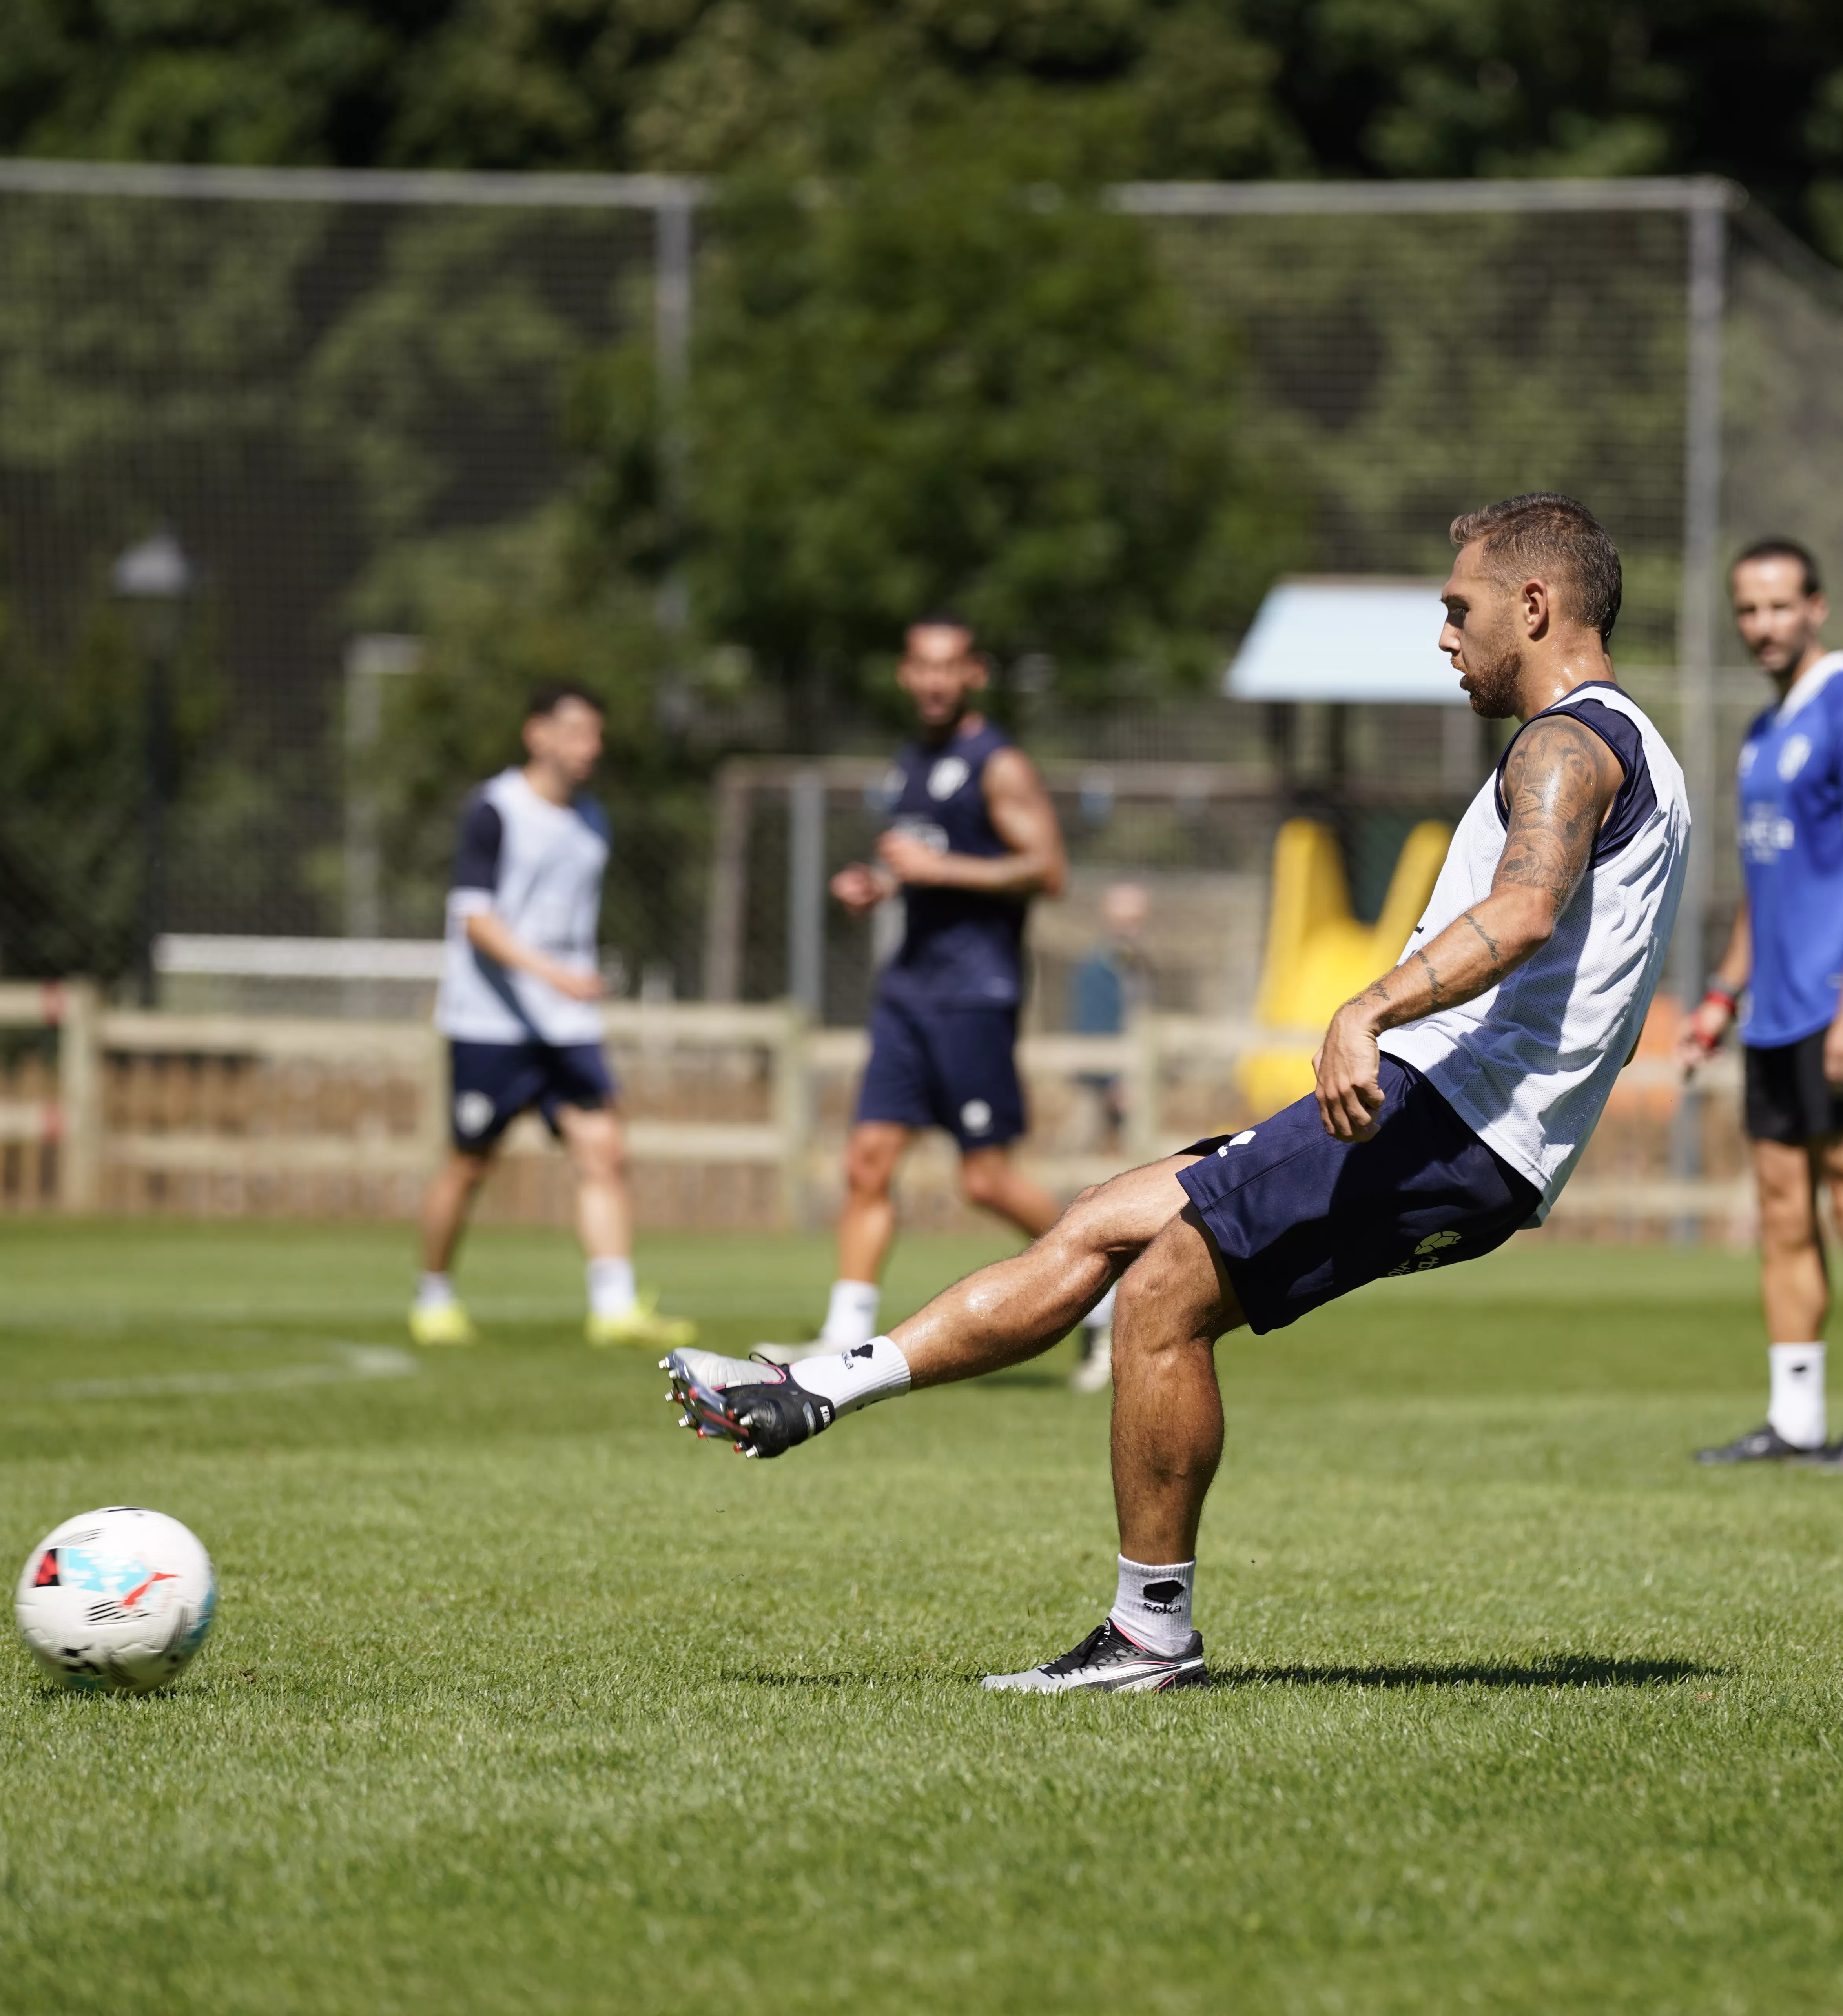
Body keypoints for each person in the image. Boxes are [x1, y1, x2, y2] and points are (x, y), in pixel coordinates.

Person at [658, 494, 1687, 1693]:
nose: (1445, 637)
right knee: (1106, 1215)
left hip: (1449, 1113)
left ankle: (1148, 1635)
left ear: (1534, 604)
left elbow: (1524, 909)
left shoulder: (1565, 743)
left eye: (1457, 610)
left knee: (1159, 1298)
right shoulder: (1626, 742)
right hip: (1448, 1113)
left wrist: (1368, 1006)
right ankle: (819, 1388)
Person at [754, 615, 1118, 1392]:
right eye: (922, 666)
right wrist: (881, 884)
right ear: (904, 674)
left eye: (950, 666)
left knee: (984, 1180)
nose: (934, 681)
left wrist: (935, 868)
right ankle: (844, 1335)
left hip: (973, 996)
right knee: (867, 1161)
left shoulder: (998, 764)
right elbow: (926, 865)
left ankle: (1104, 1297)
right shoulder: (914, 762)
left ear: (974, 674)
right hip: (908, 993)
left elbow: (1045, 870)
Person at [1673, 537, 1843, 1471]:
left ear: (1817, 606)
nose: (1763, 625)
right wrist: (1721, 996)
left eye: (1780, 606)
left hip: (1838, 1007)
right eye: (1747, 609)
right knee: (1783, 1206)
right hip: (1773, 1012)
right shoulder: (1762, 732)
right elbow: (1764, 885)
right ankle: (1797, 1419)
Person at [410, 683, 695, 1351]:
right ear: (536, 734)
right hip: (491, 1022)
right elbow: (475, 918)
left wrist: (571, 983)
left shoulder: (593, 818)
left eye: (596, 735)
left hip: (566, 1028)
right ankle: (434, 1295)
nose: (588, 748)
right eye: (574, 733)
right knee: (470, 1164)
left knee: (605, 1150)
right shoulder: (495, 809)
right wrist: (553, 973)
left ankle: (615, 1307)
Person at [1069, 881, 1152, 1155]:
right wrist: (1114, 1079)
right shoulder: (1099, 968)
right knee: (1083, 1146)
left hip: (1133, 1072)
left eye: (1137, 920)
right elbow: (1094, 1025)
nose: (1131, 928)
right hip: (1103, 1075)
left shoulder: (1136, 964)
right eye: (1124, 921)